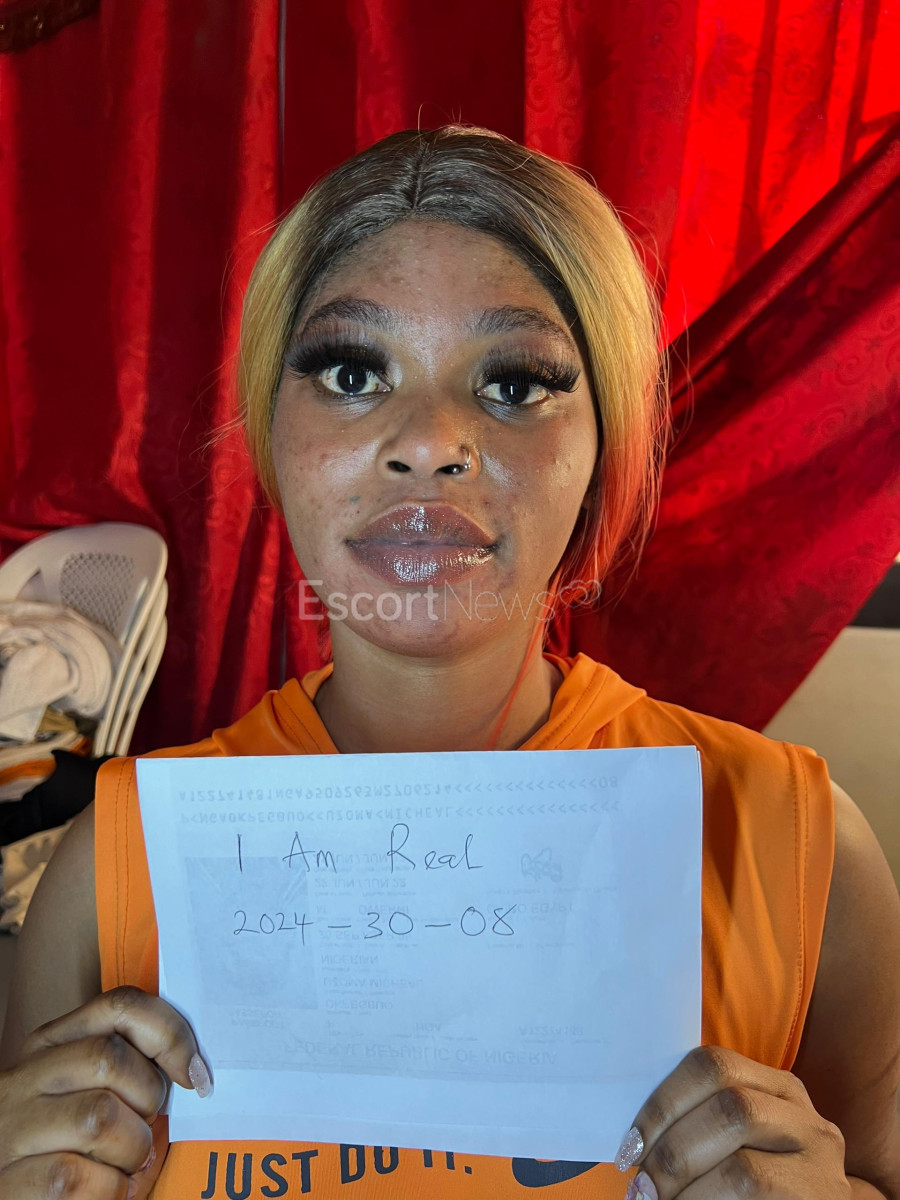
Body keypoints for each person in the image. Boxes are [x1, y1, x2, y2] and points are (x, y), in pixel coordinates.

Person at [0, 124, 898, 1200]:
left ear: (602, 446)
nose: (428, 441)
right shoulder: (107, 871)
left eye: (513, 383)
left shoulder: (800, 845)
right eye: (352, 371)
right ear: (271, 428)